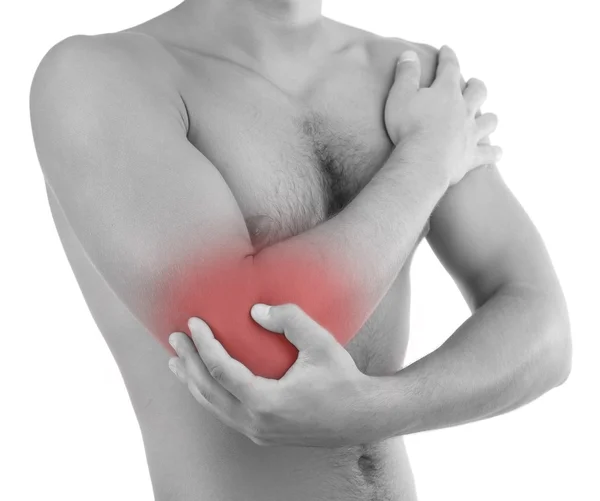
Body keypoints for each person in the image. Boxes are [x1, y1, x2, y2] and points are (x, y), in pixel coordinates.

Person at [29, 0, 572, 499]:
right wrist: (426, 161)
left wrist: (379, 410)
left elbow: (543, 330)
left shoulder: (409, 76)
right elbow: (252, 348)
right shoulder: (97, 76)